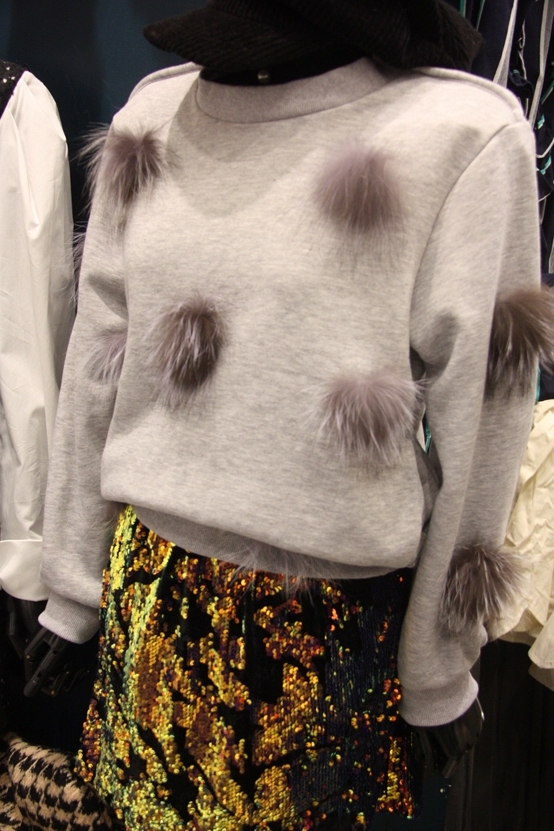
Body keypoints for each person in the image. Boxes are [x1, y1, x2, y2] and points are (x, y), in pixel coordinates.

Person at [33, 0, 551, 827]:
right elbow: (99, 360)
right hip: (152, 596)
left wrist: (437, 664)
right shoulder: (154, 116)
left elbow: (485, 414)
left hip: (330, 628)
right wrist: (71, 587)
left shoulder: (460, 135)